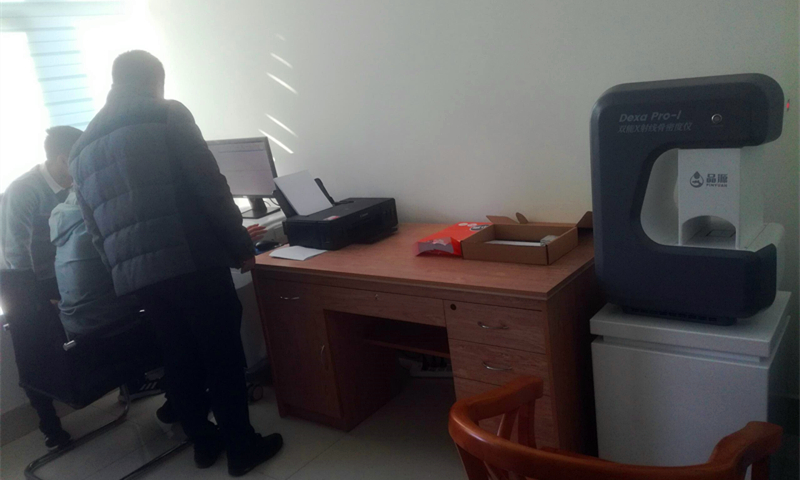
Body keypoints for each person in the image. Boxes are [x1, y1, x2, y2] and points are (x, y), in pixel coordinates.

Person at [69, 50, 282, 476]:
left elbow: (94, 228)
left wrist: (122, 272)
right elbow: (210, 187)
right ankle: (242, 448)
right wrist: (241, 245)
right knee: (222, 356)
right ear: (156, 80)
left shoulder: (80, 148)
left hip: (139, 277)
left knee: (179, 357)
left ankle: (204, 444)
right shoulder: (167, 114)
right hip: (191, 259)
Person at [0, 126, 80, 449]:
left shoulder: (72, 184)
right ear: (63, 159)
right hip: (16, 276)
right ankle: (49, 424)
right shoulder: (25, 190)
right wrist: (39, 299)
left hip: (54, 268)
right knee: (30, 342)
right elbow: (16, 254)